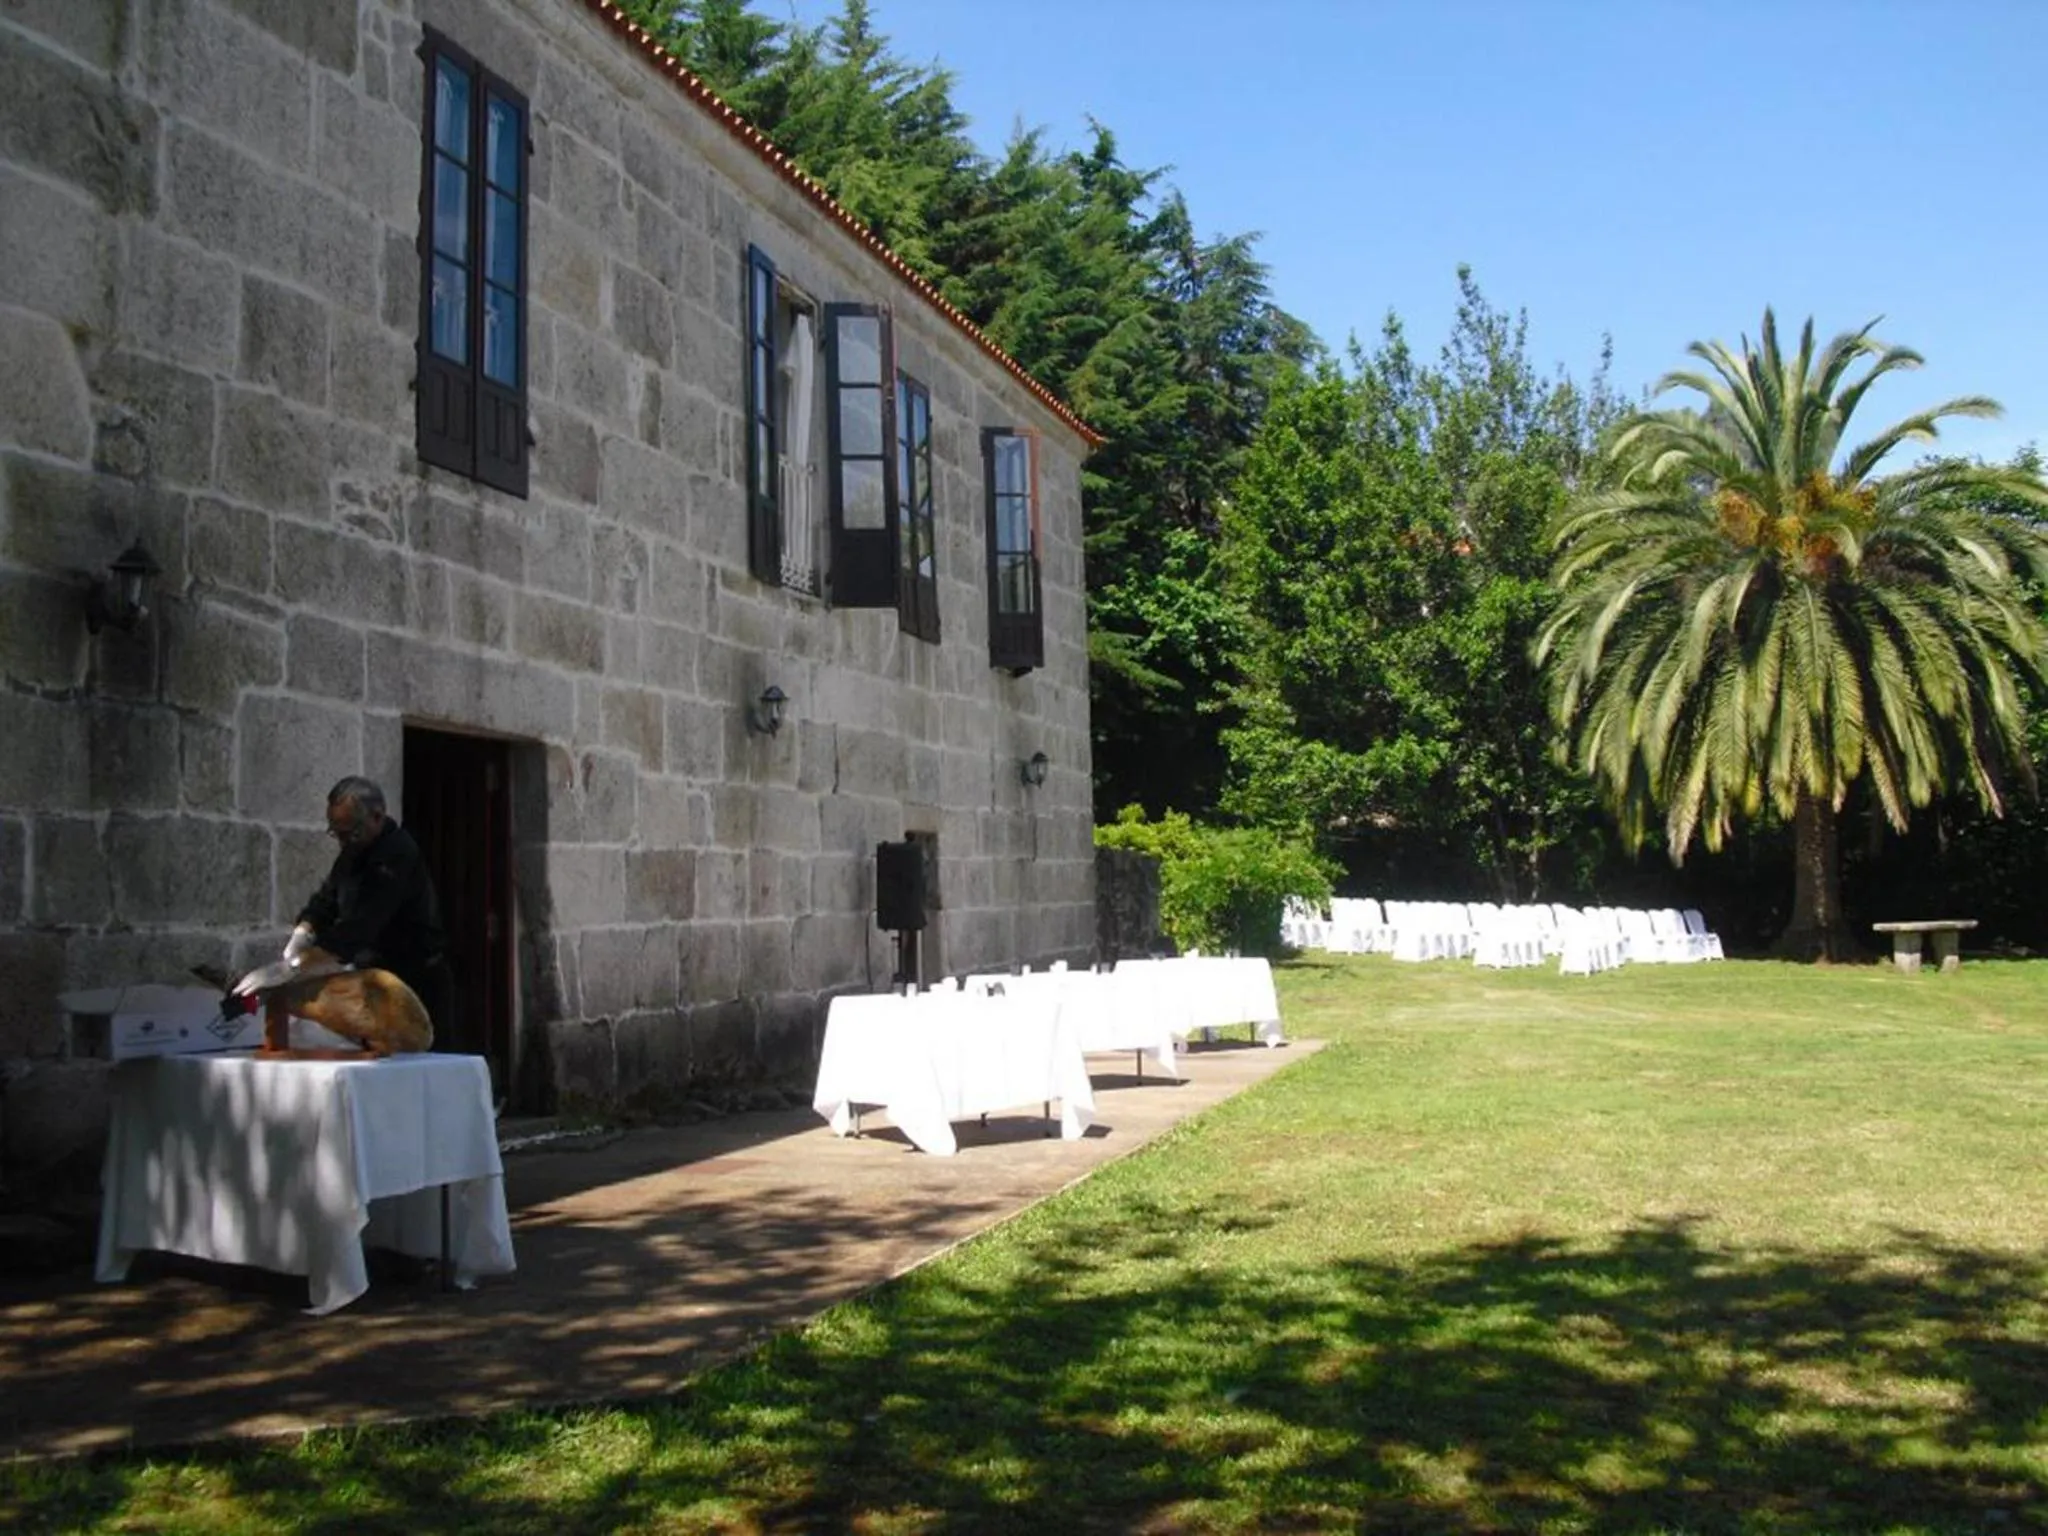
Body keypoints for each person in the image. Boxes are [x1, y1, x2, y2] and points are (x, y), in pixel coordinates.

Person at [285, 776, 460, 1053]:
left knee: (426, 1070)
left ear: (377, 817)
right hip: (377, 984)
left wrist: (302, 965)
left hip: (417, 981)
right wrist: (303, 931)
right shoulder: (353, 850)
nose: (343, 841)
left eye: (350, 832)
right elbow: (326, 898)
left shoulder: (397, 854)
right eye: (336, 833)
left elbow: (361, 926)